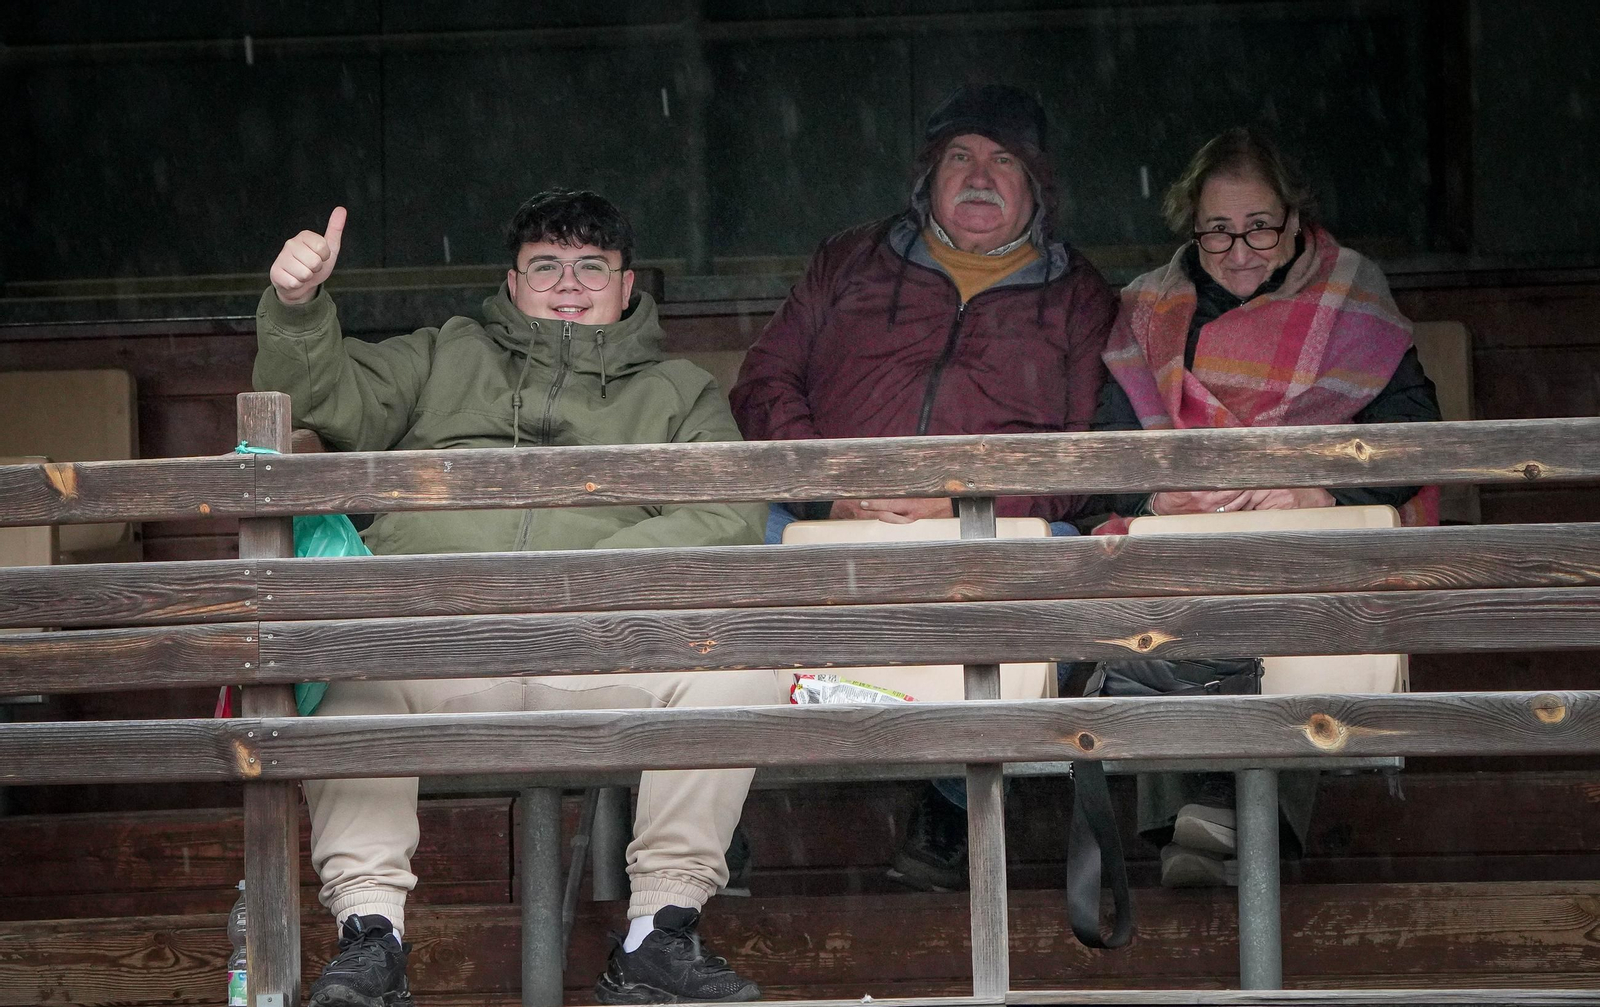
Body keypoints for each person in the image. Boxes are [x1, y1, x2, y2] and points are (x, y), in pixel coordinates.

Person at [255, 189, 778, 1005]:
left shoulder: (681, 390)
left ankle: (658, 932)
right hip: (439, 646)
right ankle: (370, 937)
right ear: (512, 280)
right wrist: (298, 306)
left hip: (601, 652)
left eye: (590, 267)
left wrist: (578, 583)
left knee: (738, 668)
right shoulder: (442, 354)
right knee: (350, 672)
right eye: (546, 266)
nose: (568, 283)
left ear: (627, 283)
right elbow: (328, 401)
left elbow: (728, 513)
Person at [729, 84, 1118, 892]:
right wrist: (831, 489)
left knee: (1077, 567)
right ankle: (711, 802)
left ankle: (952, 796)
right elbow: (765, 380)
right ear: (927, 178)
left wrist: (966, 501)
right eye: (960, 159)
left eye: (1003, 161)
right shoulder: (849, 260)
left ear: (1036, 184)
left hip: (989, 529)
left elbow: (1088, 455)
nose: (980, 177)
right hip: (830, 516)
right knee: (717, 548)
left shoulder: (1081, 295)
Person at [1087, 127, 1442, 887]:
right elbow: (1104, 447)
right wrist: (1159, 493)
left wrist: (1322, 490)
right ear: (1192, 225)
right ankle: (1210, 814)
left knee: (1299, 582)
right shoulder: (1148, 307)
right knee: (1162, 571)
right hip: (1189, 536)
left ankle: (1228, 811)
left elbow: (1413, 432)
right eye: (1217, 230)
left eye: (1258, 227)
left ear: (1292, 219)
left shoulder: (1348, 291)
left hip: (1306, 536)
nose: (1239, 248)